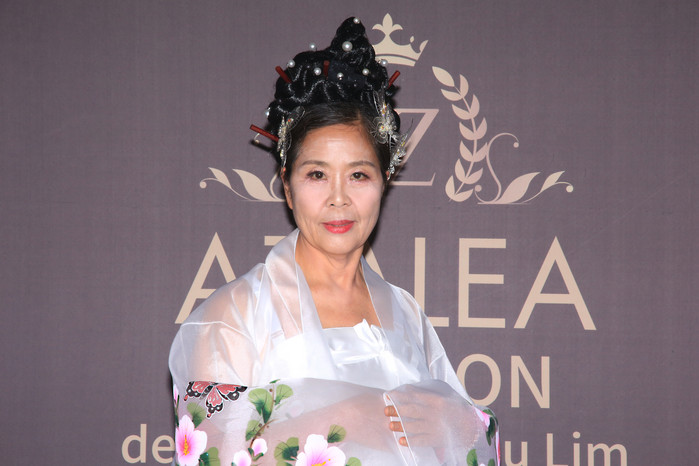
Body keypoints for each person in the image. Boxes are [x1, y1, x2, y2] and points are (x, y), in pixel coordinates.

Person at [169, 17, 499, 466]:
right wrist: (350, 418)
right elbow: (211, 455)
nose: (339, 198)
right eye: (317, 175)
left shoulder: (405, 315)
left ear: (385, 182)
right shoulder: (232, 318)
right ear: (287, 186)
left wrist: (456, 423)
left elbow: (465, 441)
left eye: (359, 174)